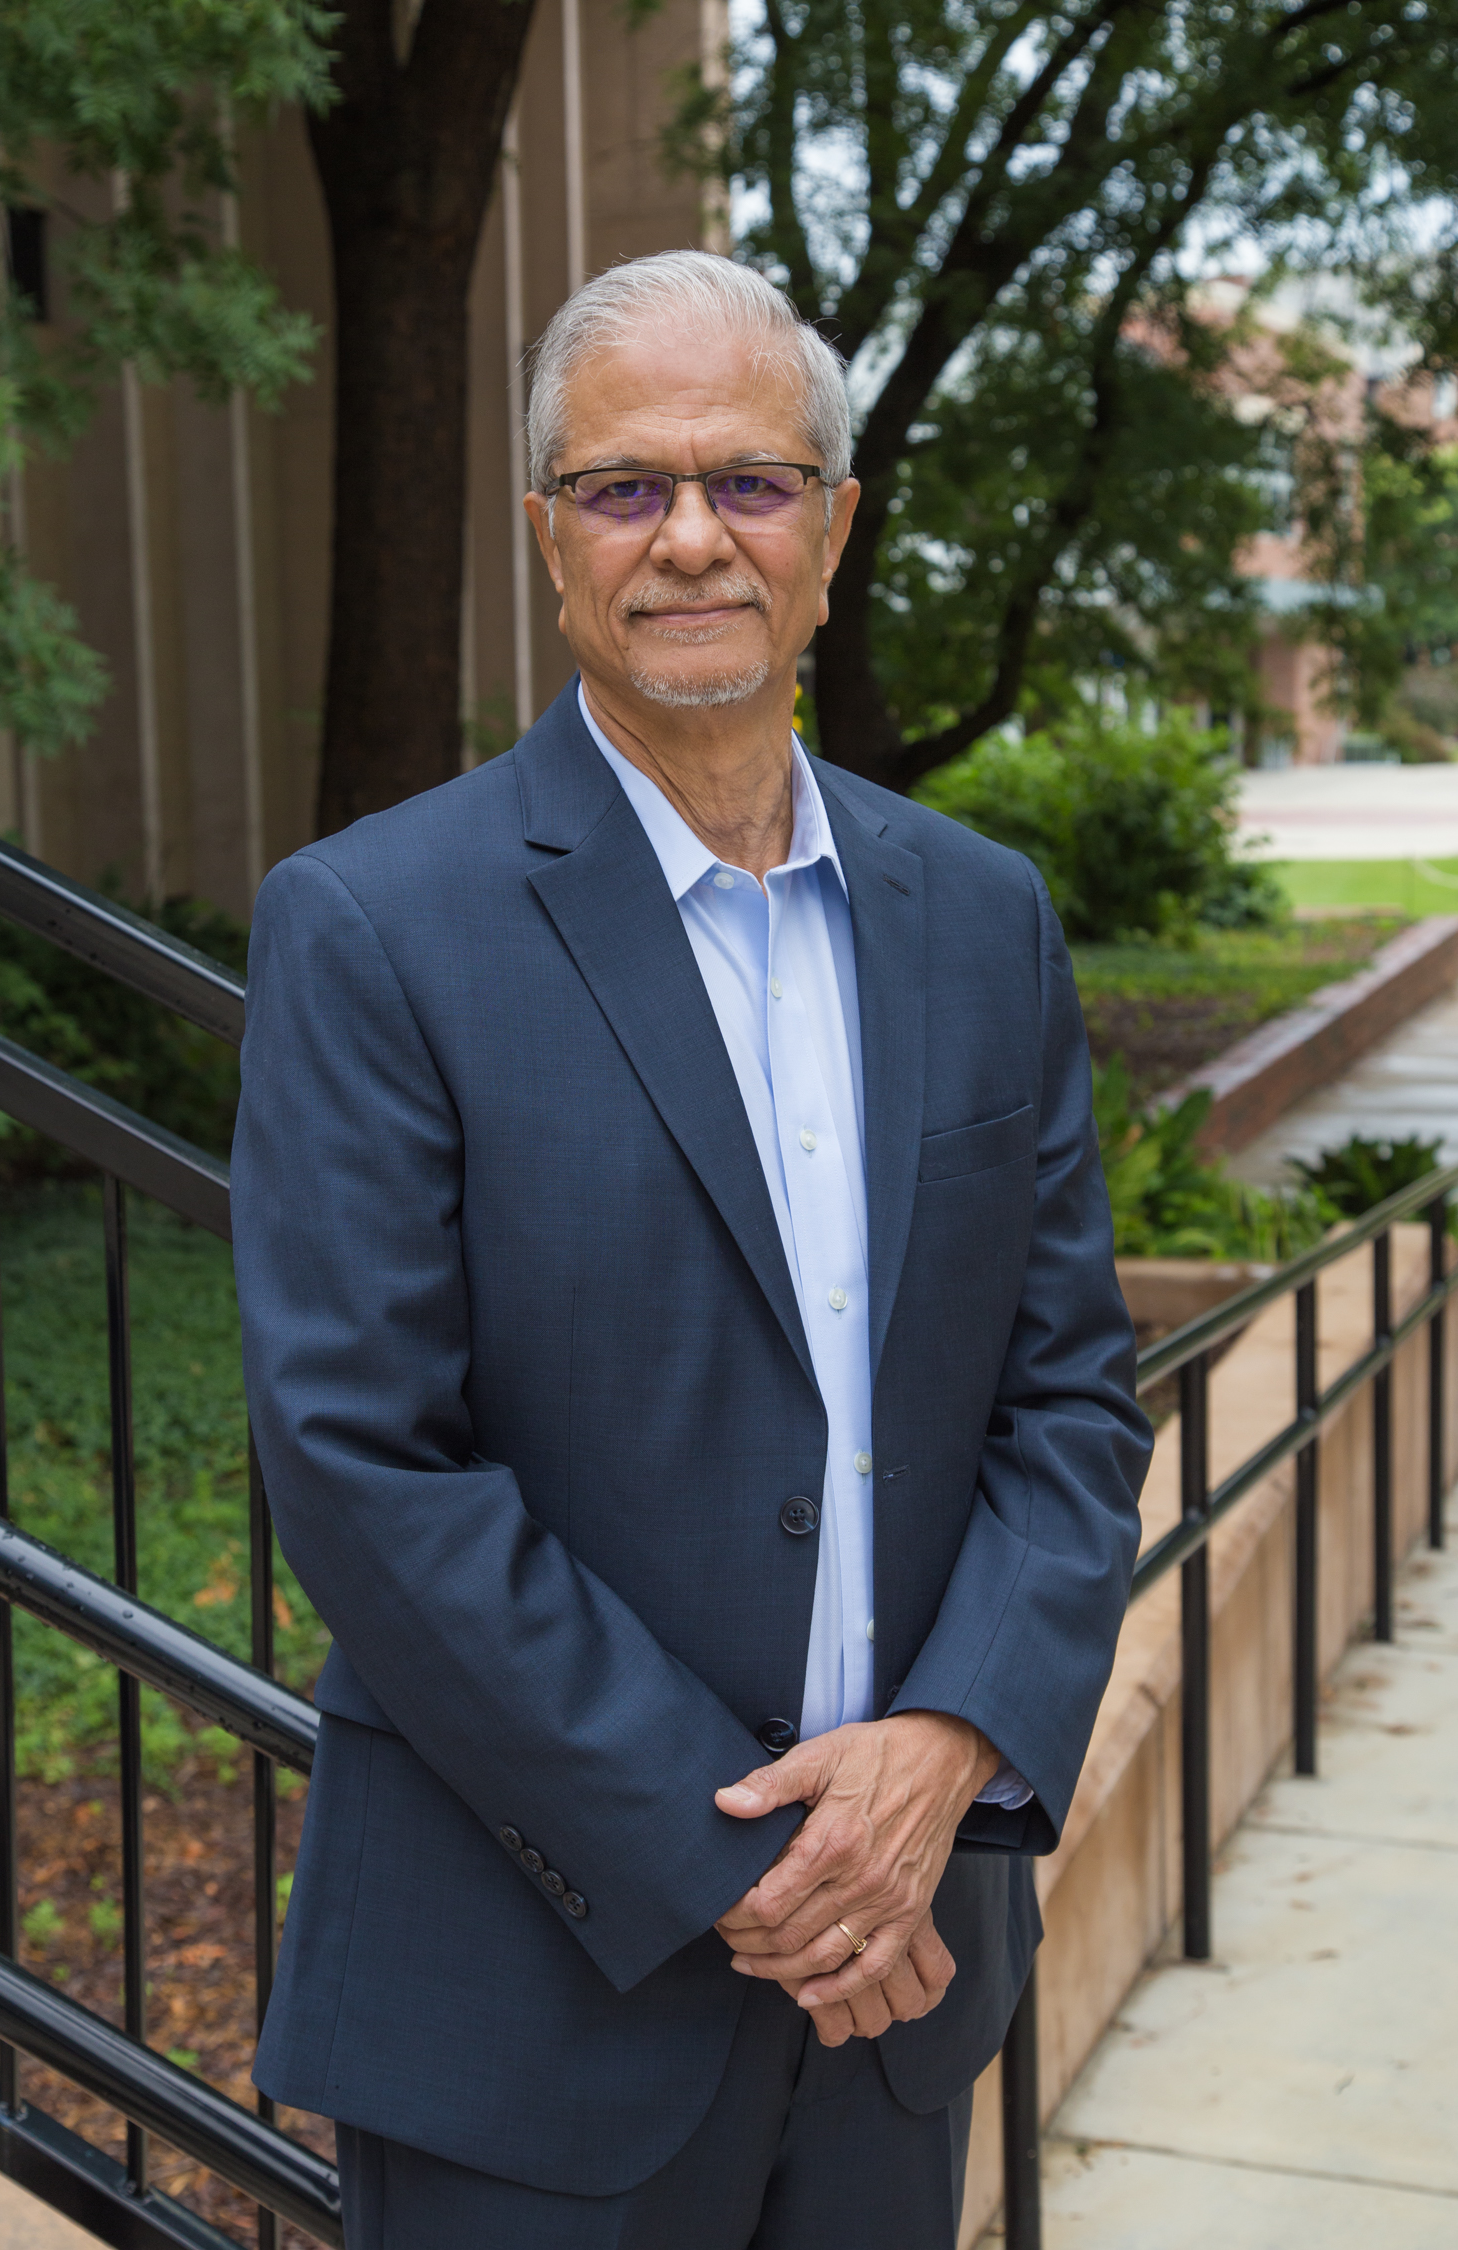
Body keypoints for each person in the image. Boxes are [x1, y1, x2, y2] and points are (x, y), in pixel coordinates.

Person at [232, 250, 1152, 2250]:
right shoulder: (374, 928)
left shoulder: (980, 920)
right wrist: (734, 1856)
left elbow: (1072, 1389)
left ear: (833, 523)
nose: (690, 542)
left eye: (746, 482)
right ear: (553, 537)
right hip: (532, 2008)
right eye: (626, 487)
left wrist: (955, 1743)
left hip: (905, 1978)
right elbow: (365, 1462)